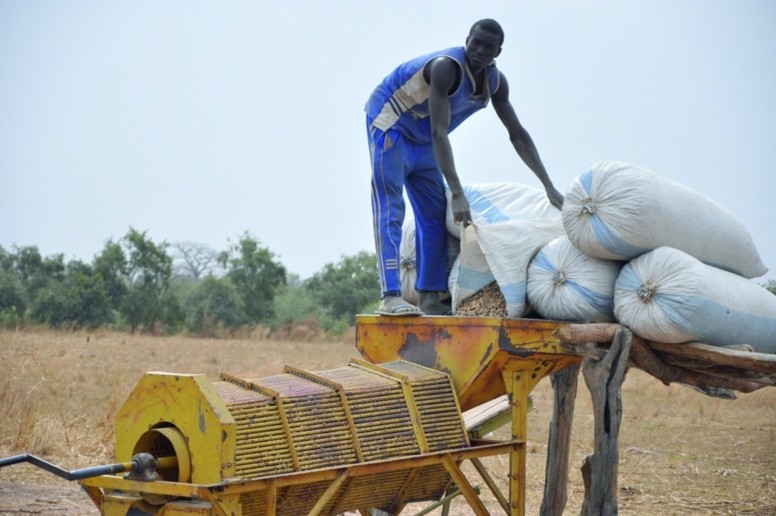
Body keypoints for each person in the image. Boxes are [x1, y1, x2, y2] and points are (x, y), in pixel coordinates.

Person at [366, 18, 564, 316]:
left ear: (498, 51)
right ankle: (391, 295)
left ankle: (430, 297)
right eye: (476, 42)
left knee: (433, 214)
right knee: (390, 207)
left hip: (422, 140)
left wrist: (549, 187)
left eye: (489, 47)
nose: (480, 50)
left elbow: (518, 134)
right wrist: (457, 192)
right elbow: (439, 133)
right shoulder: (446, 68)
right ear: (467, 39)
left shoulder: (495, 82)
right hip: (390, 126)